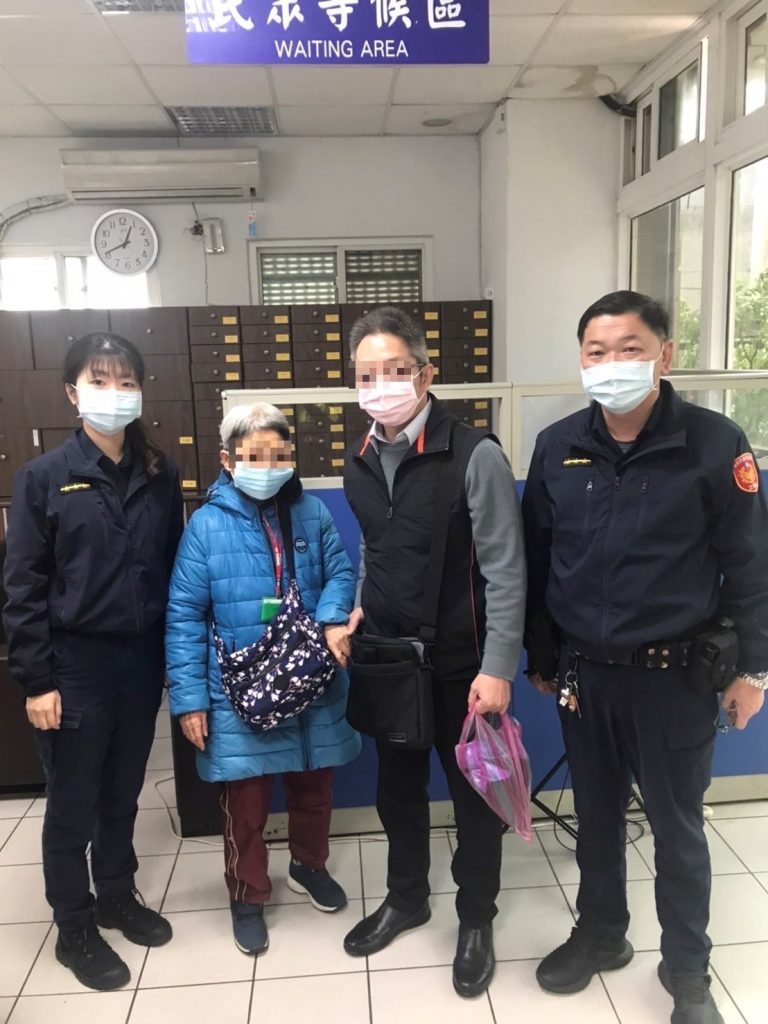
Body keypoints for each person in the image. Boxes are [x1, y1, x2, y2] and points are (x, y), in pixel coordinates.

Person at [522, 291, 768, 1024]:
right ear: (580, 360)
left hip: (674, 678)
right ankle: (602, 934)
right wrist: (542, 653)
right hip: (585, 676)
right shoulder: (558, 445)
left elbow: (751, 567)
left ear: (665, 354)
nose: (612, 364)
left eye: (629, 349)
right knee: (595, 819)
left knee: (677, 829)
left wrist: (754, 671)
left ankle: (687, 969)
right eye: (596, 352)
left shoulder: (714, 444)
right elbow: (540, 558)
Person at [341, 306, 526, 998]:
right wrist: (361, 601)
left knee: (476, 801)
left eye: (395, 370)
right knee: (397, 791)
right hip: (389, 657)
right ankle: (407, 898)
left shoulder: (474, 454)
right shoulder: (360, 457)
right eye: (367, 375)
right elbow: (374, 544)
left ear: (424, 373)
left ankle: (476, 918)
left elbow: (506, 569)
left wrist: (498, 667)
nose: (380, 386)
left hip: (462, 667)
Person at [3, 333, 183, 992]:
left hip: (139, 663)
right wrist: (37, 681)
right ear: (73, 393)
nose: (114, 392)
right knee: (72, 804)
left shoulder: (159, 475)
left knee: (121, 794)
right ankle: (73, 926)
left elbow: (173, 568)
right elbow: (22, 586)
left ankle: (115, 896)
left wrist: (174, 658)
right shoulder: (43, 478)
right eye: (99, 380)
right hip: (73, 665)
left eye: (125, 381)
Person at [165, 401, 361, 956]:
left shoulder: (312, 513)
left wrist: (331, 619)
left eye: (279, 455)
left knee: (313, 788)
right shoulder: (205, 527)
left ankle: (309, 866)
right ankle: (248, 895)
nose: (269, 466)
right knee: (246, 803)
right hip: (238, 688)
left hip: (308, 676)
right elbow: (183, 616)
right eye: (255, 456)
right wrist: (190, 701)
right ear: (228, 461)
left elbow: (341, 572)